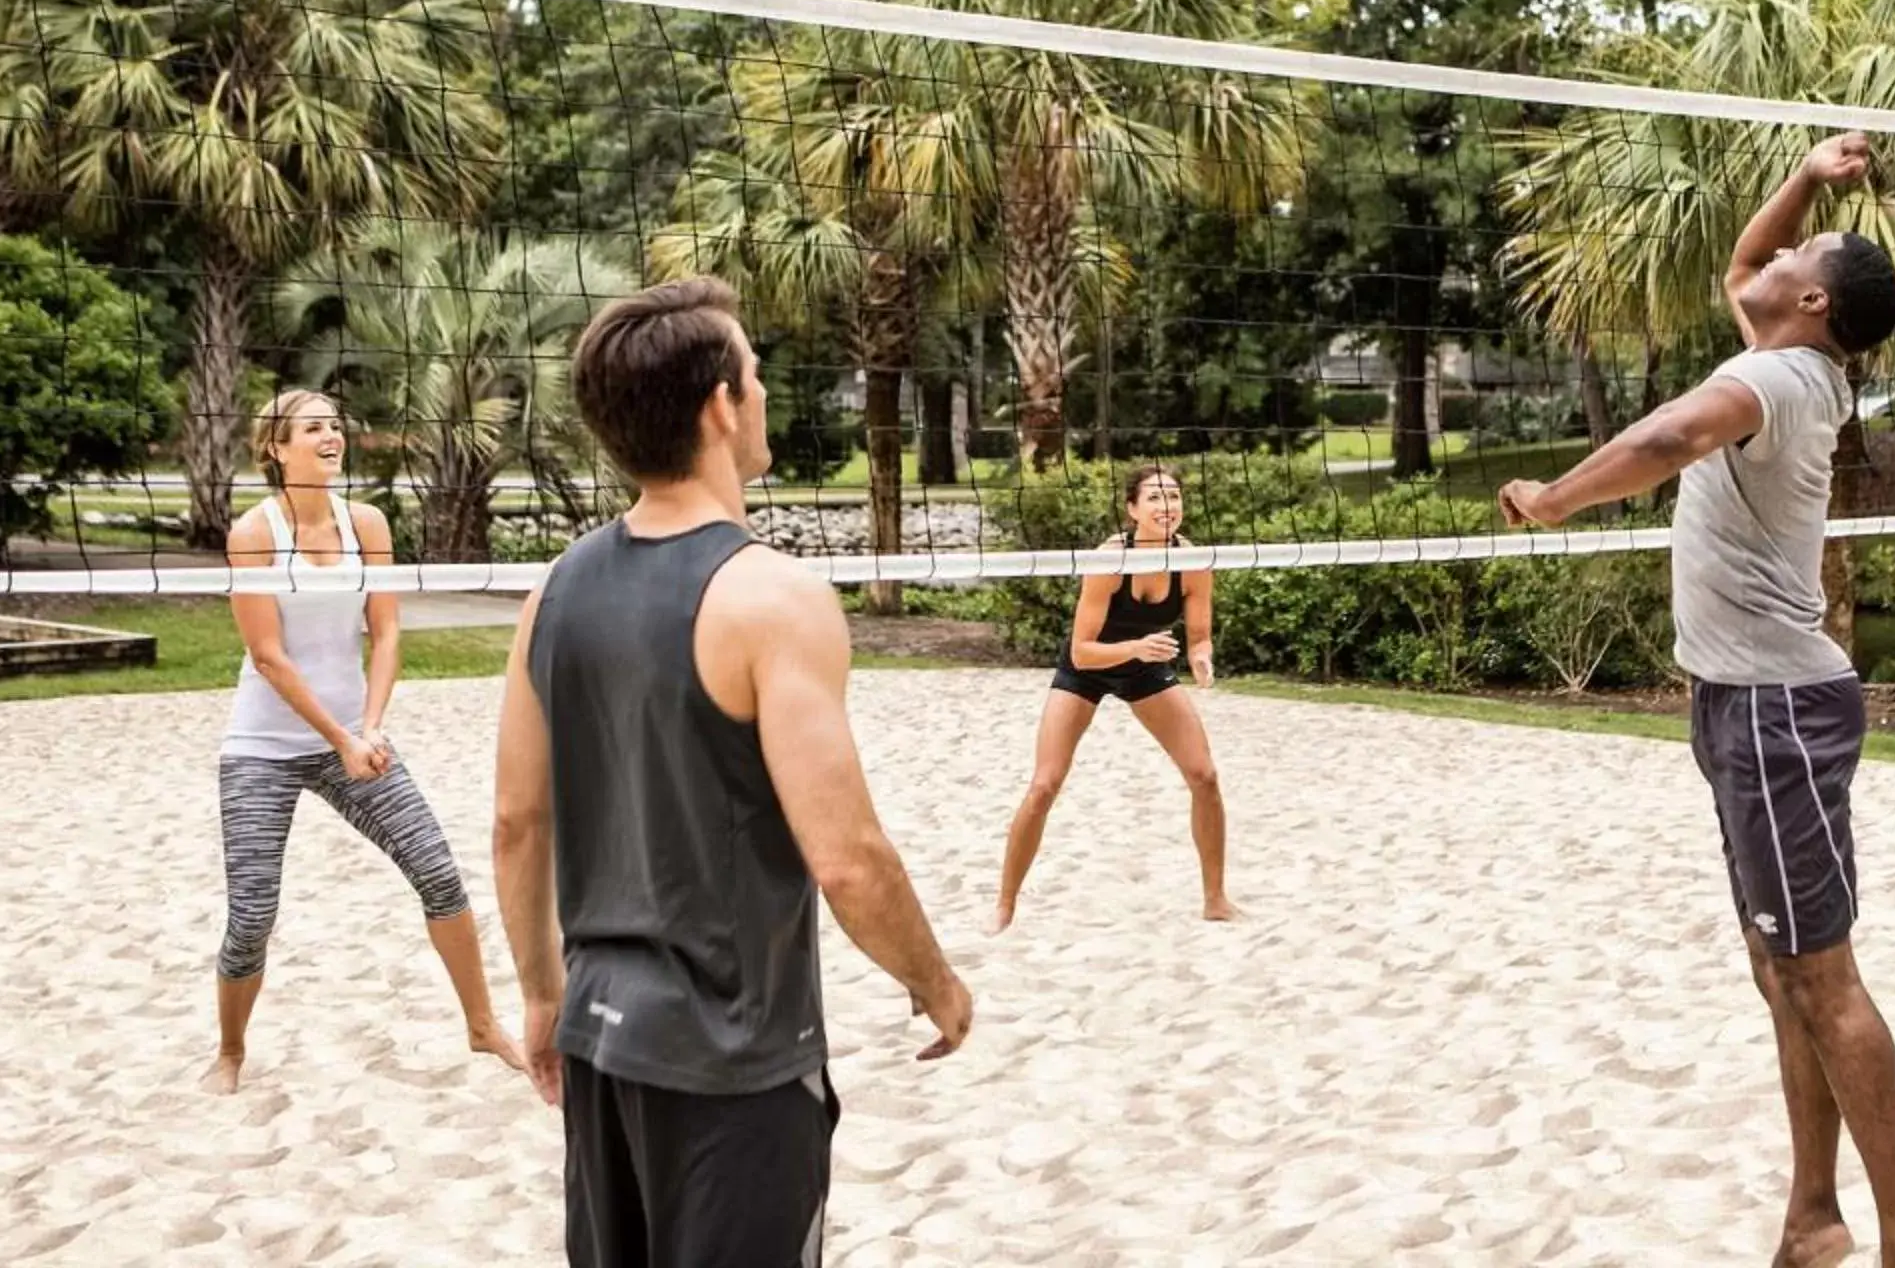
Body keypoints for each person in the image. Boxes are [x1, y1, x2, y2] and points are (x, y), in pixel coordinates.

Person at [1499, 132, 1895, 1268]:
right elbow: (1751, 253)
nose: (1778, 247)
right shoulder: (1790, 349)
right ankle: (1814, 1211)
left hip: (1776, 709)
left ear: (1808, 298)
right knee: (1780, 964)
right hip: (1740, 701)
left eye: (1803, 248)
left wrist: (1554, 499)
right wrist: (1807, 174)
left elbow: (1666, 434)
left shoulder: (1776, 378)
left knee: (1822, 971)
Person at [493, 278, 972, 1268]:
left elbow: (515, 819)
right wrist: (935, 979)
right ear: (720, 404)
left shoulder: (555, 589)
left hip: (597, 1034)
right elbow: (845, 857)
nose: (763, 390)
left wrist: (542, 997)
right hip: (734, 1060)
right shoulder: (772, 595)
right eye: (754, 372)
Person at [203, 389, 523, 1095]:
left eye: (336, 425)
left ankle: (482, 1026)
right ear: (276, 449)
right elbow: (268, 658)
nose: (331, 436)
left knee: (439, 873)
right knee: (252, 915)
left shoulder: (367, 523)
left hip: (355, 736)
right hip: (262, 746)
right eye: (313, 427)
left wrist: (370, 726)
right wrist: (340, 738)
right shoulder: (252, 535)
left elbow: (388, 632)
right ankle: (229, 1052)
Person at [992, 464, 1233, 931]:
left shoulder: (1194, 561)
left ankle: (1216, 899)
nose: (1168, 507)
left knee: (1204, 776)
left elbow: (1200, 635)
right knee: (1044, 785)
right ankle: (1005, 904)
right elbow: (1083, 653)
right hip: (1089, 669)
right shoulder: (1109, 559)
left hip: (1146, 666)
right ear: (1132, 510)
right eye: (1156, 498)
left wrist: (1202, 659)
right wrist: (1137, 648)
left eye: (1175, 497)